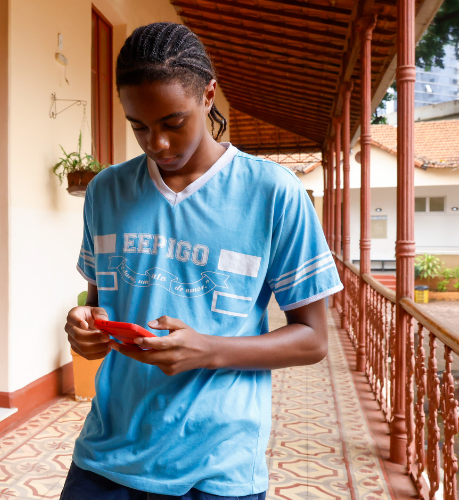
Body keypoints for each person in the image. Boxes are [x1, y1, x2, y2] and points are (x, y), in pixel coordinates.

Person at [62, 22, 341, 500]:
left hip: (216, 472)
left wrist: (208, 350)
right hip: (104, 460)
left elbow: (313, 339)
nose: (157, 143)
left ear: (208, 94)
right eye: (138, 127)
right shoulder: (106, 190)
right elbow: (100, 303)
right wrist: (86, 326)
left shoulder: (272, 193)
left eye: (173, 122)